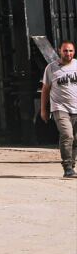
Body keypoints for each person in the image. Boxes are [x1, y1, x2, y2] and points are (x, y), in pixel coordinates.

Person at [40, 40, 77, 178]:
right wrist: (43, 110)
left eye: (71, 51)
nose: (68, 53)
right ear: (59, 51)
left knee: (75, 138)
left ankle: (72, 166)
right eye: (65, 50)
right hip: (60, 107)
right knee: (67, 135)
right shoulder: (51, 68)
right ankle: (67, 167)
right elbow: (45, 89)